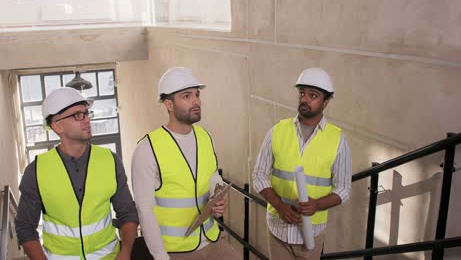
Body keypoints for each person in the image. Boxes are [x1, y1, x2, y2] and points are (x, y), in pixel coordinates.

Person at [15, 87, 138, 260]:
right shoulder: (36, 171)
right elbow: (25, 228)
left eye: (87, 113)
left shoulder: (110, 160)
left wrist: (125, 252)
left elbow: (127, 213)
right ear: (57, 125)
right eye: (78, 115)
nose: (87, 119)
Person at [131, 67, 241, 260]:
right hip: (177, 250)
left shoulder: (205, 136)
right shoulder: (147, 149)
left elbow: (213, 176)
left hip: (212, 237)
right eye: (186, 96)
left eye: (197, 95)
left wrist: (217, 196)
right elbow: (145, 210)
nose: (196, 101)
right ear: (169, 105)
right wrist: (160, 257)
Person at [252, 68, 352, 259]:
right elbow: (258, 175)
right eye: (301, 93)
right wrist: (279, 205)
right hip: (277, 229)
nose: (304, 99)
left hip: (312, 232)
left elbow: (344, 189)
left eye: (313, 95)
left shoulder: (337, 140)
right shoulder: (277, 131)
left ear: (325, 102)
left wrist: (318, 204)